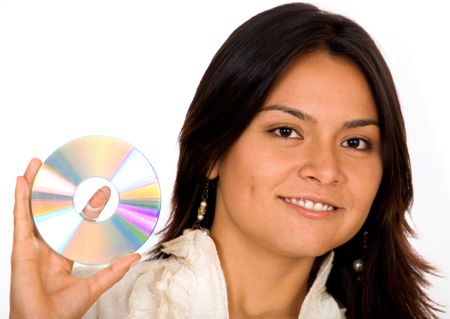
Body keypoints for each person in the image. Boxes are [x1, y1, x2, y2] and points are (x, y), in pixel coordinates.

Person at [10, 3, 441, 318]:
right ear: (212, 151)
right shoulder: (92, 309)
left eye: (355, 142)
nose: (325, 169)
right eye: (286, 131)